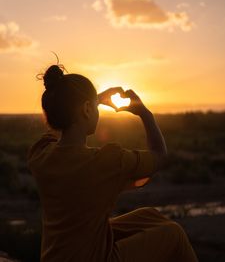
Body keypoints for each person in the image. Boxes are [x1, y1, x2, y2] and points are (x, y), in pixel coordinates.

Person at [27, 64, 198, 262]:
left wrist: (91, 101)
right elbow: (159, 156)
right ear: (87, 109)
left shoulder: (40, 154)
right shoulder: (106, 161)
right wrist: (145, 113)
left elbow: (57, 129)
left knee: (148, 216)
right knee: (173, 234)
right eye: (94, 106)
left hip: (56, 256)